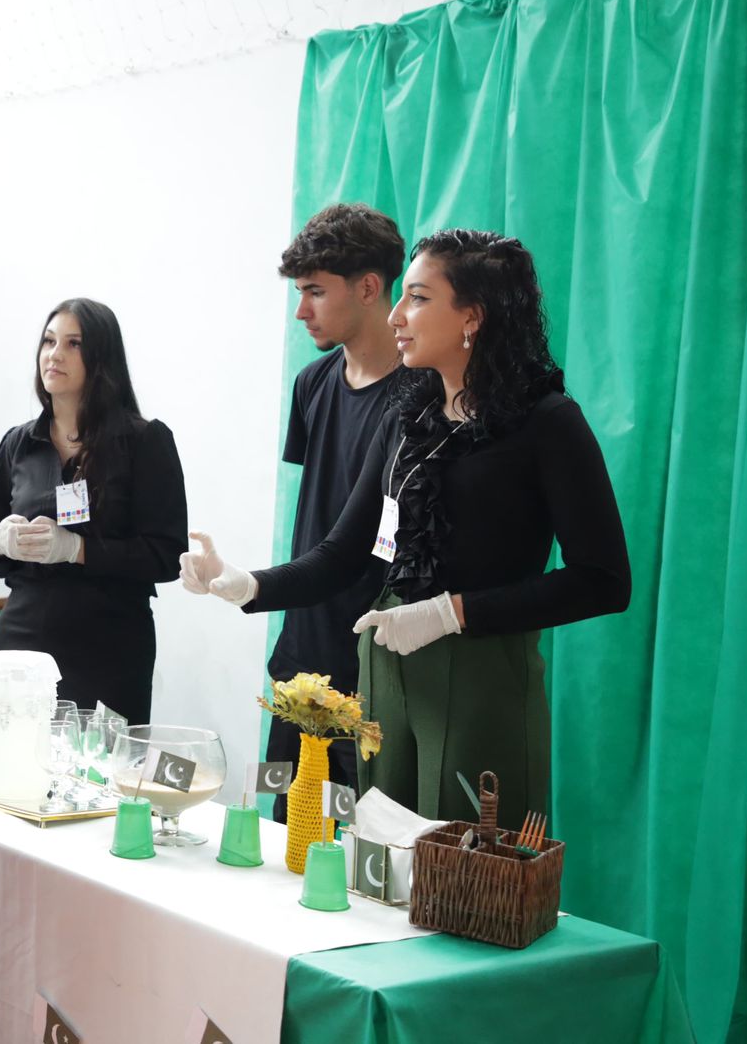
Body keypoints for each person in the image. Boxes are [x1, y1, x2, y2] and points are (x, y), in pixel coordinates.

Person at [182, 230, 630, 829]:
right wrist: (244, 585)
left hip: (482, 675)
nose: (395, 315)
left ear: (472, 316)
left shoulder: (547, 423)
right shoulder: (407, 416)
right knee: (380, 865)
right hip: (387, 667)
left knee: (464, 875)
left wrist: (451, 613)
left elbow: (603, 581)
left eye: (417, 298)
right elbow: (343, 551)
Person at [0, 298, 187, 724]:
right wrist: (1, 541)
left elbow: (167, 556)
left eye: (73, 344)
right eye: (49, 341)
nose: (54, 354)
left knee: (97, 777)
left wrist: (77, 550)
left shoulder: (145, 442)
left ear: (102, 359)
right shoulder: (19, 443)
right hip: (24, 635)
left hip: (108, 643)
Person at [258, 203, 403, 821]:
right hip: (299, 662)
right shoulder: (311, 384)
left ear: (369, 288)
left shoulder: (422, 398)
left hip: (376, 665)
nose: (301, 311)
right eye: (299, 292)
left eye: (315, 292)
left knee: (359, 853)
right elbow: (317, 514)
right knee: (283, 831)